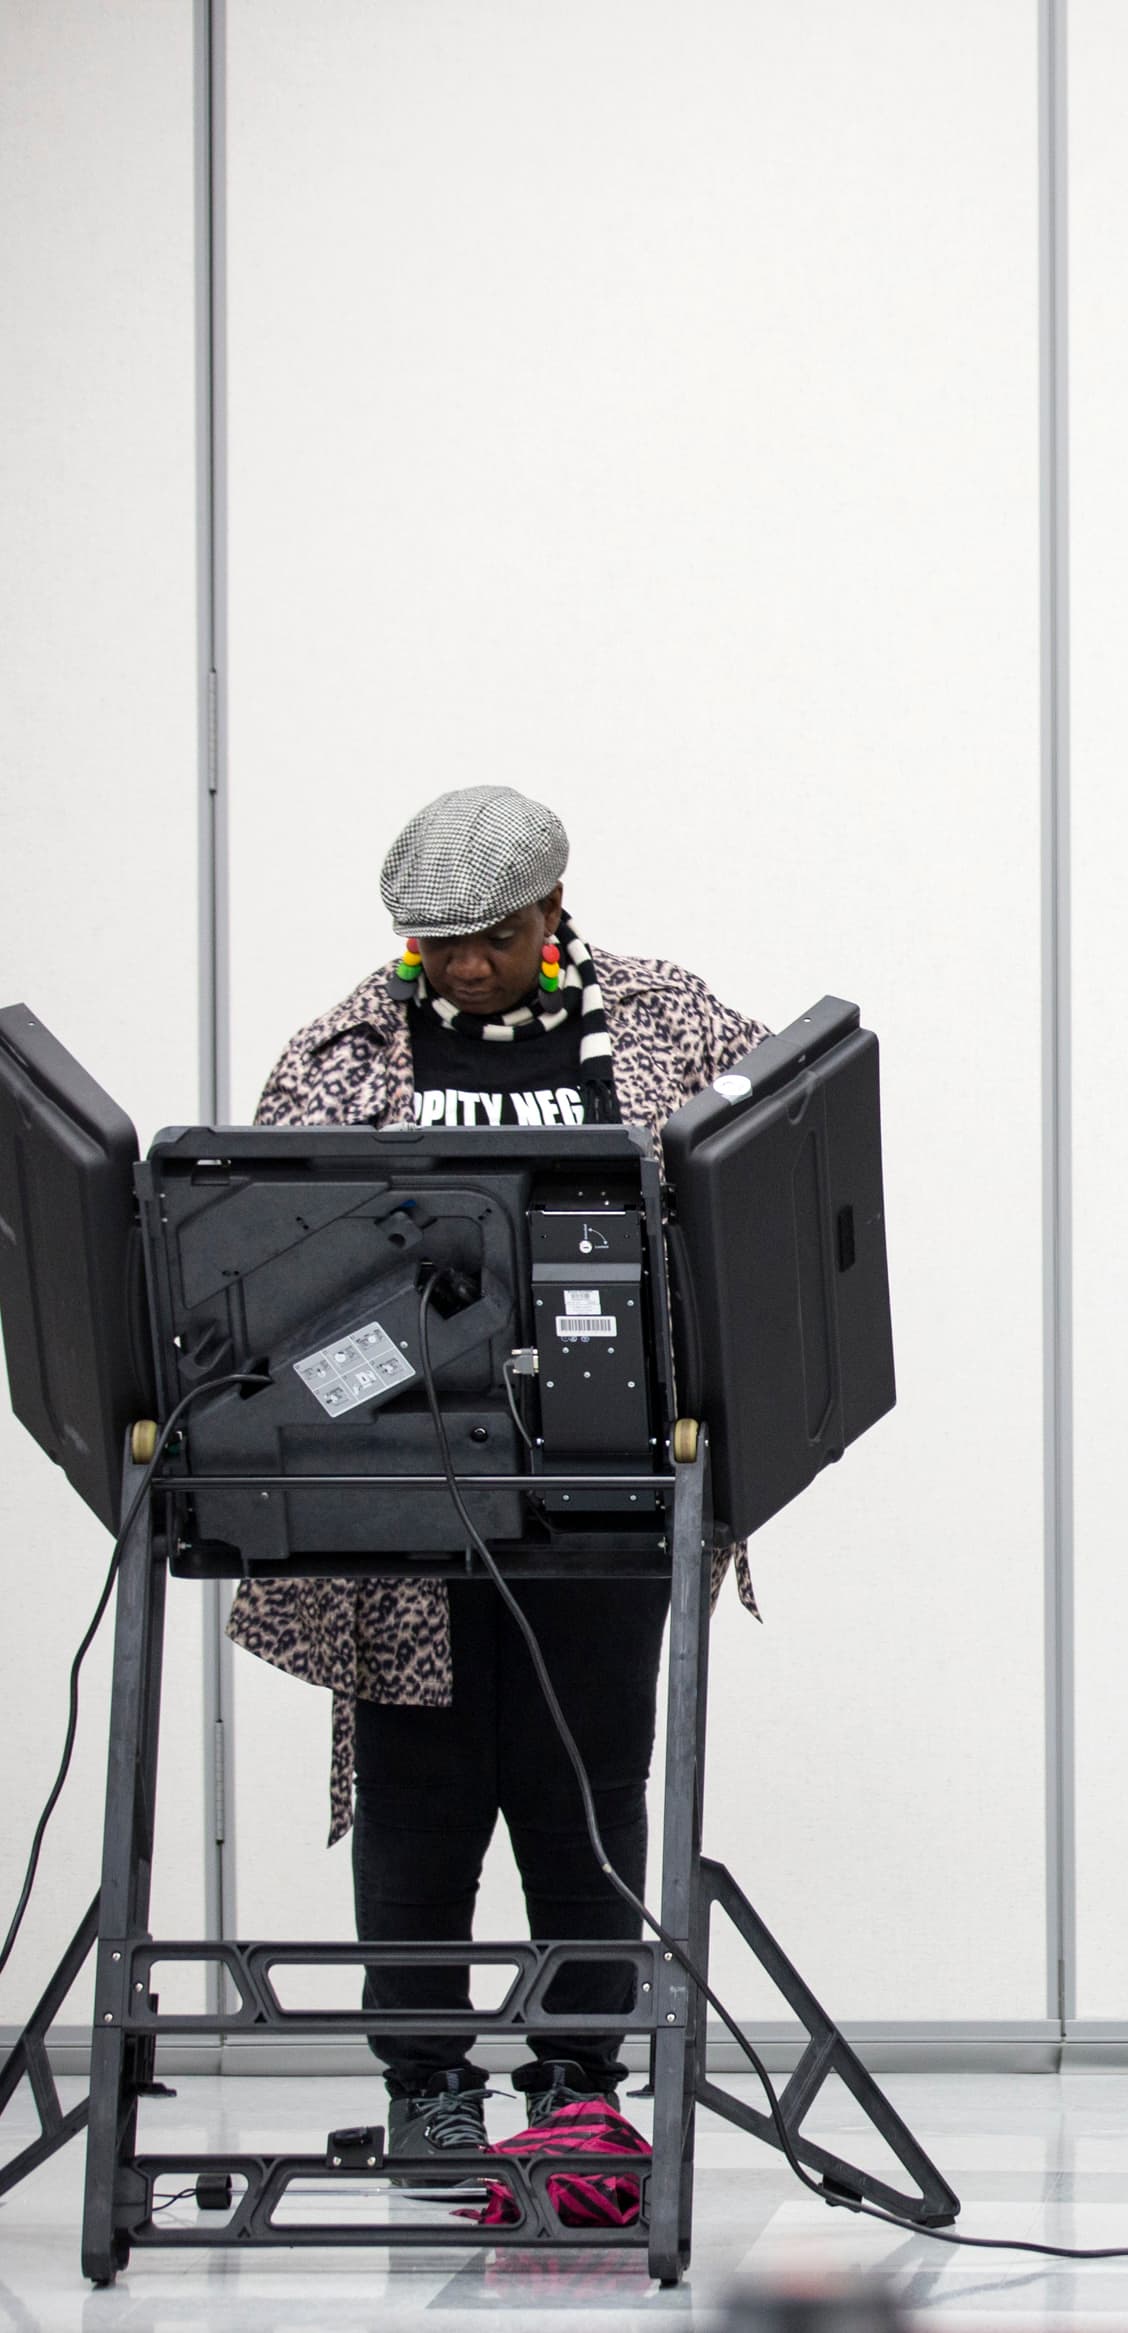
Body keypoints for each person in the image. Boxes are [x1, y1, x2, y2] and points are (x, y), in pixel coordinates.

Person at [227, 784, 766, 2174]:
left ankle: (581, 2071)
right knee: (423, 1783)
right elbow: (259, 1251)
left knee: (588, 1777)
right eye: (434, 945)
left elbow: (762, 1178)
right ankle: (426, 2077)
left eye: (490, 935)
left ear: (553, 907)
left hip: (607, 1484)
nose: (462, 965)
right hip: (408, 1491)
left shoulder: (663, 1021)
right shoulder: (351, 1049)